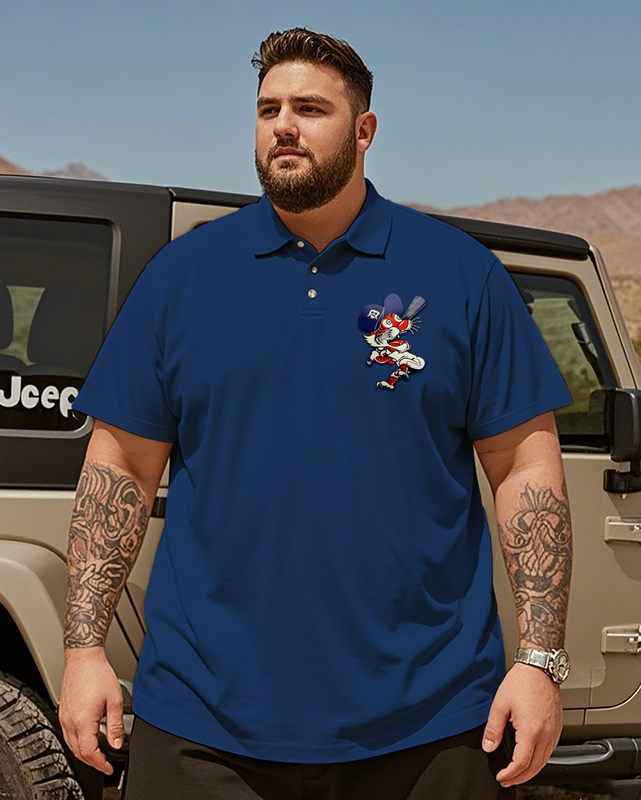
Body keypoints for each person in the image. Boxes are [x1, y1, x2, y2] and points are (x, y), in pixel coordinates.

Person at [59, 26, 574, 800]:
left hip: (426, 725)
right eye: (268, 109)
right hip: (201, 725)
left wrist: (537, 662)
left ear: (363, 130)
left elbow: (524, 468)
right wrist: (83, 650)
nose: (283, 126)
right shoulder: (182, 277)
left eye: (309, 108)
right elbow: (121, 468)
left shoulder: (460, 275)